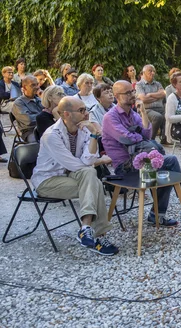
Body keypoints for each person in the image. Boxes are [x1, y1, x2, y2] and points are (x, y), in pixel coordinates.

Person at [104, 81, 181, 225]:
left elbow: (148, 133)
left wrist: (143, 112)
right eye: (128, 93)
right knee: (166, 168)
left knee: (171, 162)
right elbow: (126, 138)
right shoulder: (110, 117)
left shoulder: (132, 113)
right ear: (117, 96)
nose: (133, 95)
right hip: (125, 167)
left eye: (132, 91)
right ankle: (170, 208)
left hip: (141, 159)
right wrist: (141, 138)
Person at [30, 96, 118, 255]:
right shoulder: (51, 135)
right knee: (95, 184)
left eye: (86, 109)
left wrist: (93, 136)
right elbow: (74, 164)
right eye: (82, 110)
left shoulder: (84, 130)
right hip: (48, 181)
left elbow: (87, 159)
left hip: (72, 175)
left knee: (90, 174)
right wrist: (98, 161)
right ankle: (98, 236)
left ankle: (85, 229)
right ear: (66, 114)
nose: (87, 114)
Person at [136, 64, 169, 145]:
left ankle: (165, 138)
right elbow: (143, 99)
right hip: (146, 109)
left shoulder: (157, 84)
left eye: (153, 71)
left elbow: (163, 94)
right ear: (143, 73)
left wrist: (150, 95)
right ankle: (151, 139)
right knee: (158, 117)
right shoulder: (139, 84)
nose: (153, 73)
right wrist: (157, 96)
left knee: (168, 115)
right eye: (150, 71)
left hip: (160, 108)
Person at [12, 75, 43, 142]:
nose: (37, 87)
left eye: (37, 84)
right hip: (29, 131)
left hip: (43, 127)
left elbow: (51, 112)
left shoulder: (39, 99)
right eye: (33, 85)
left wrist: (44, 99)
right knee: (35, 143)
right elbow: (29, 120)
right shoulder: (19, 103)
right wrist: (44, 116)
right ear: (24, 87)